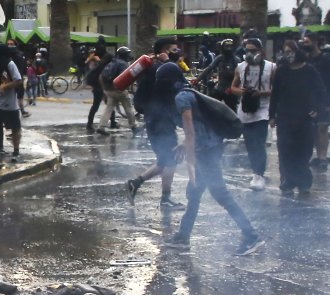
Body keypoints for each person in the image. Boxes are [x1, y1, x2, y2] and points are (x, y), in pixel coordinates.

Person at [159, 63, 264, 256]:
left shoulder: (182, 97)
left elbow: (190, 131)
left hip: (206, 151)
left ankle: (251, 236)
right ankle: (183, 237)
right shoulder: (187, 92)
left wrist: (189, 157)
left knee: (220, 193)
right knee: (195, 192)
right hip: (210, 146)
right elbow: (197, 129)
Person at [126, 38, 185, 210]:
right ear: (165, 51)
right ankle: (165, 199)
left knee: (164, 159)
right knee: (171, 159)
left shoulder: (153, 68)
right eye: (174, 49)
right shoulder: (162, 69)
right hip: (161, 121)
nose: (178, 52)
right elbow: (181, 86)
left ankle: (135, 183)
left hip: (155, 119)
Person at [270, 40, 326, 197]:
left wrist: (316, 109)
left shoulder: (309, 71)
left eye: (290, 51)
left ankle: (304, 181)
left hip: (304, 117)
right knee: (286, 149)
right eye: (285, 52)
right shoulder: (282, 71)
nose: (288, 55)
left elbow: (320, 90)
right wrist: (272, 115)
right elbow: (275, 95)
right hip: (285, 117)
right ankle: (289, 180)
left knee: (303, 150)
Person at [230, 38, 274, 190]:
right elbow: (233, 87)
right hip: (245, 110)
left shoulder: (271, 67)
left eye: (253, 50)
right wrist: (240, 91)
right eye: (247, 50)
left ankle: (259, 174)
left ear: (261, 51)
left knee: (259, 143)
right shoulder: (240, 67)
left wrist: (261, 93)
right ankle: (256, 172)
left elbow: (277, 89)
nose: (249, 53)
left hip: (263, 110)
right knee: (250, 144)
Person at [301, 33, 330, 167]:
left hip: (324, 98)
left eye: (307, 42)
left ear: (315, 42)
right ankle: (318, 155)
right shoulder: (307, 59)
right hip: (310, 99)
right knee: (314, 128)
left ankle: (323, 157)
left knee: (323, 127)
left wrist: (329, 101)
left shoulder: (326, 58)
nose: (305, 45)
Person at [99, 46, 138, 134]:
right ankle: (133, 125)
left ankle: (102, 126)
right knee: (128, 107)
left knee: (108, 108)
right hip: (119, 90)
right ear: (125, 55)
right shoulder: (123, 64)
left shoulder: (112, 62)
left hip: (109, 89)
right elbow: (125, 77)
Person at [197, 39, 241, 110]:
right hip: (220, 88)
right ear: (222, 47)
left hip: (230, 90)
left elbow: (240, 76)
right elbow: (209, 68)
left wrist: (234, 88)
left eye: (230, 46)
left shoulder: (236, 60)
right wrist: (197, 79)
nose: (229, 49)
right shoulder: (220, 58)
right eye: (227, 46)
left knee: (231, 110)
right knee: (213, 107)